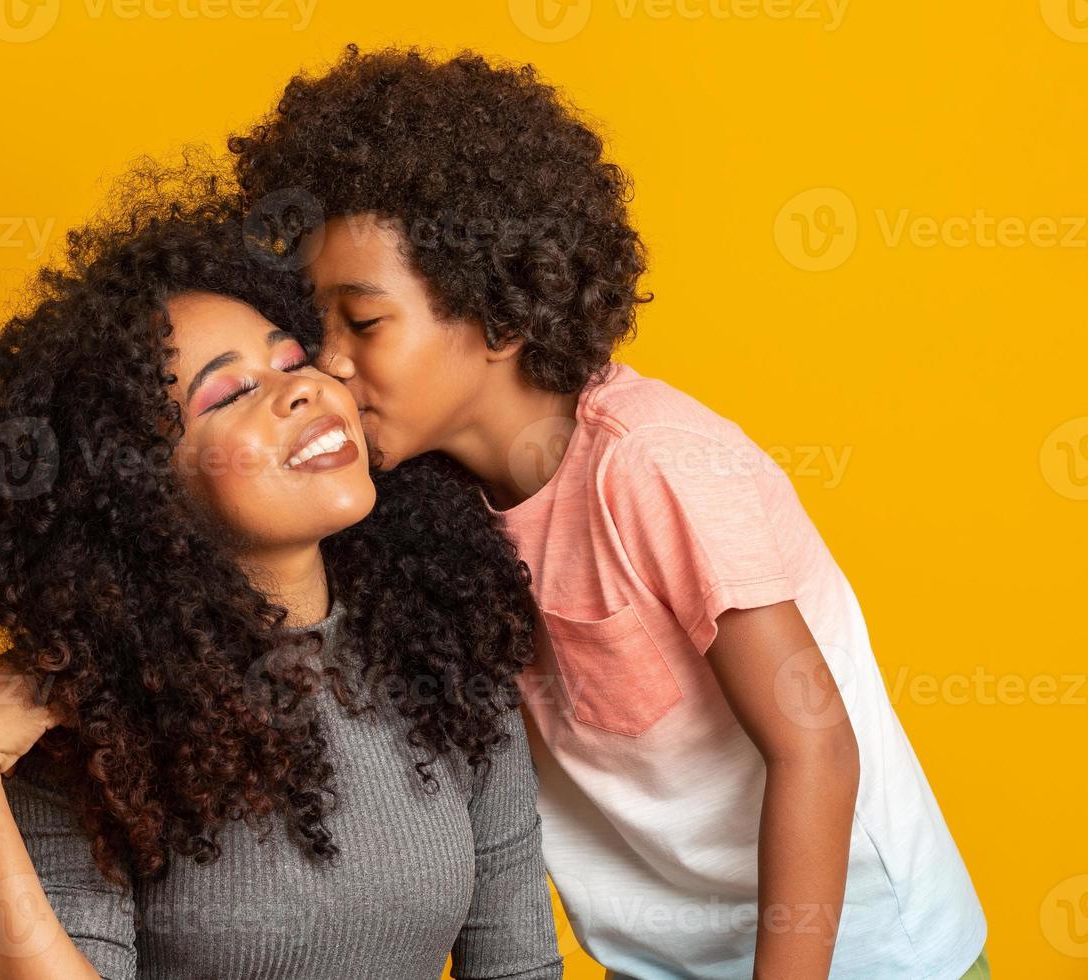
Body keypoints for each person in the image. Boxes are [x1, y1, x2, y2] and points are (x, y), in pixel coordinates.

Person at [231, 45, 989, 980]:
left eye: (365, 321)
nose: (328, 362)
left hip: (858, 958)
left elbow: (817, 745)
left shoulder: (652, 464)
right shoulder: (415, 514)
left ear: (498, 316)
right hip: (660, 962)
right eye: (319, 327)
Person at [0, 169, 564, 980]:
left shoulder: (447, 658)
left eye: (292, 359)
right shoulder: (89, 723)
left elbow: (519, 968)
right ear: (140, 493)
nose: (303, 391)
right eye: (232, 393)